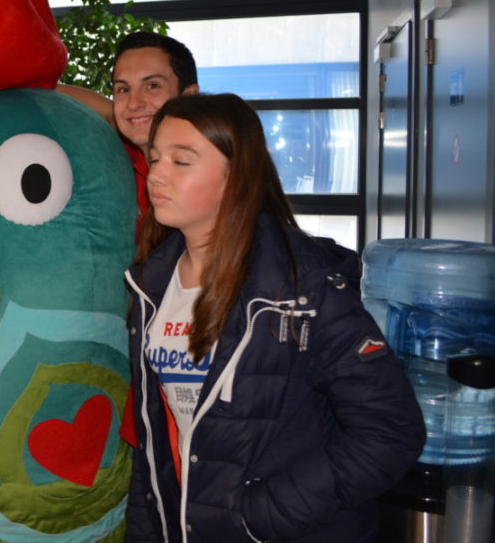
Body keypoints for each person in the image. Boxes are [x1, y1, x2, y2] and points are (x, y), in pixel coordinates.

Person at [122, 94, 425, 542]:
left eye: (182, 161)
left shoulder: (303, 287)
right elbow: (157, 448)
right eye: (155, 158)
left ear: (236, 175)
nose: (157, 175)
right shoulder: (150, 284)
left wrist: (260, 515)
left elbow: (390, 432)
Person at [59, 31, 199, 217]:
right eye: (124, 89)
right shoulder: (130, 153)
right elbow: (106, 112)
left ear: (188, 96)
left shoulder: (211, 171)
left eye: (152, 86)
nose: (133, 103)